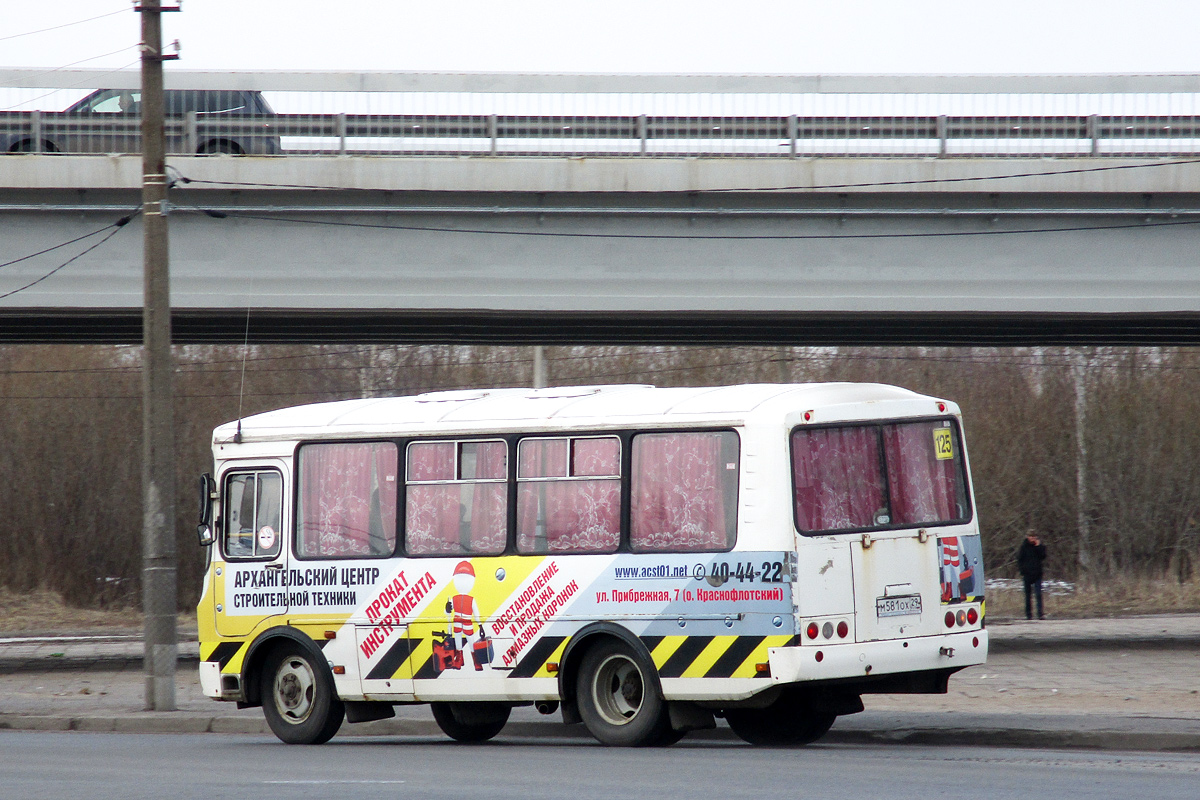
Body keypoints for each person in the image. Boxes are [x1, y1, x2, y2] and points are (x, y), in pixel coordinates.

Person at [1017, 529, 1047, 620]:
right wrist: (1022, 571)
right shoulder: (1023, 547)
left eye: (1034, 537)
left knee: (1038, 594)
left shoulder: (1040, 547)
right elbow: (1019, 560)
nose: (1032, 538)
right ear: (1027, 537)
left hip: (1037, 574)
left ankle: (1040, 614)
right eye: (1031, 536)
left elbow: (1043, 556)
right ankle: (1028, 614)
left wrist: (1038, 546)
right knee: (1028, 595)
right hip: (1027, 574)